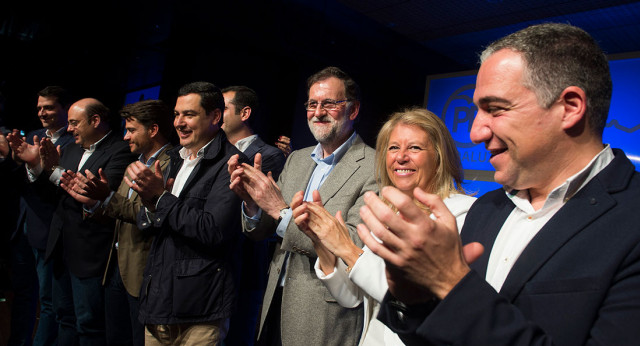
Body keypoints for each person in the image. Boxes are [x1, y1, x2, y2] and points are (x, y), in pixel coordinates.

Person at [359, 23, 640, 345]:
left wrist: (450, 284)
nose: (476, 131)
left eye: (495, 109)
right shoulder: (487, 209)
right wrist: (411, 299)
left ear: (569, 107)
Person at [292, 107, 476, 345]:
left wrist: (349, 250)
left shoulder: (462, 216)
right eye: (393, 148)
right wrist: (323, 244)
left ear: (439, 156)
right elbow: (352, 298)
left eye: (414, 148)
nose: (401, 157)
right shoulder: (387, 215)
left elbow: (418, 304)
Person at [228, 66, 377, 346]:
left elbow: (354, 245)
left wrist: (281, 212)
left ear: (353, 110)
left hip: (323, 310)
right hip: (275, 297)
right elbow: (264, 231)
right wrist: (253, 206)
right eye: (312, 104)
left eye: (329, 104)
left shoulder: (374, 166)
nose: (318, 112)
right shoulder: (297, 159)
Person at [126, 81, 248, 345]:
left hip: (200, 312)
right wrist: (150, 203)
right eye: (177, 114)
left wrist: (159, 198)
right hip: (158, 303)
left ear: (215, 117)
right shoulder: (174, 158)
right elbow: (149, 222)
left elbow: (213, 230)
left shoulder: (233, 163)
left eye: (189, 115)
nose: (179, 122)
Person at [59, 99, 174, 346]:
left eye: (132, 130)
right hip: (116, 268)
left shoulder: (171, 164)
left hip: (142, 272)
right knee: (113, 338)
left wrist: (106, 197)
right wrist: (92, 203)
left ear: (153, 130)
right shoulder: (134, 162)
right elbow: (119, 210)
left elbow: (149, 215)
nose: (125, 137)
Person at [37, 98, 136, 345]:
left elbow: (102, 193)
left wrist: (54, 172)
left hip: (91, 253)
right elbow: (55, 195)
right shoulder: (70, 148)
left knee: (89, 324)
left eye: (74, 123)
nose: (69, 129)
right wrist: (42, 169)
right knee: (63, 318)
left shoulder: (119, 150)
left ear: (95, 121)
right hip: (61, 248)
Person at [4, 86, 75, 345]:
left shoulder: (73, 141)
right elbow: (18, 182)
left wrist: (36, 164)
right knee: (22, 294)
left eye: (49, 107)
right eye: (39, 108)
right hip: (24, 226)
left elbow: (60, 186)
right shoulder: (32, 136)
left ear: (65, 109)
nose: (42, 113)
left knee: (49, 301)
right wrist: (9, 159)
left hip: (50, 227)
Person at [221, 85, 286, 346]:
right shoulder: (213, 151)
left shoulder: (268, 156)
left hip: (244, 268)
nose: (216, 113)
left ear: (244, 112)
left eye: (223, 107)